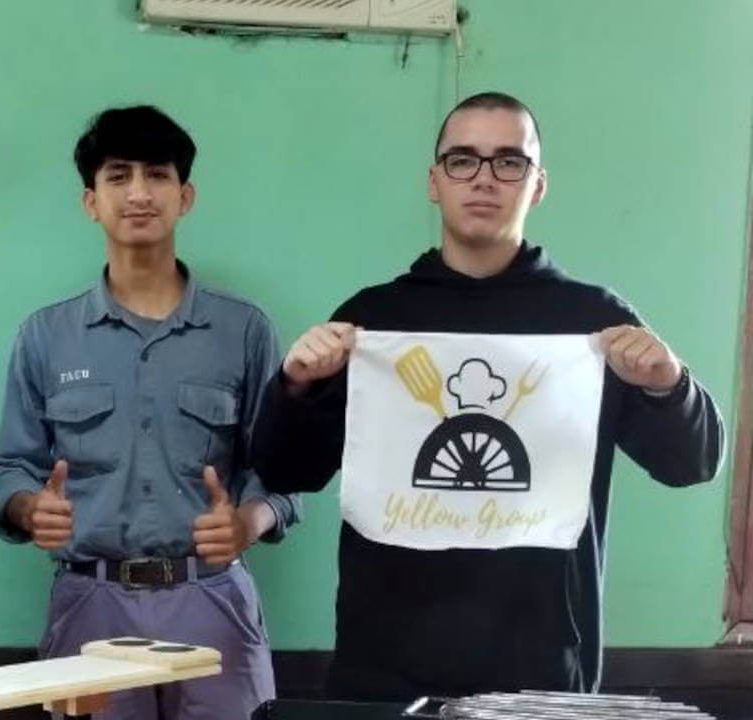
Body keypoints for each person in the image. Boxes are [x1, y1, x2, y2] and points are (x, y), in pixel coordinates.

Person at [252, 91, 725, 701]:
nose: (484, 178)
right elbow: (285, 469)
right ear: (434, 181)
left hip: (543, 678)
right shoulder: (374, 320)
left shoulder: (591, 321)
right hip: (382, 674)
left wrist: (669, 385)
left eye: (508, 161)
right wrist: (295, 386)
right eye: (462, 160)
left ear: (538, 184)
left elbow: (693, 463)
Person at [0, 105, 300, 720]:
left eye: (157, 174)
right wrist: (29, 508)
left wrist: (247, 522)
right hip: (91, 602)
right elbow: (10, 469)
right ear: (91, 202)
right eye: (118, 175)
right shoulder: (46, 335)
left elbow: (282, 476)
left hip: (212, 598)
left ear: (185, 197)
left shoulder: (243, 330)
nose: (138, 193)